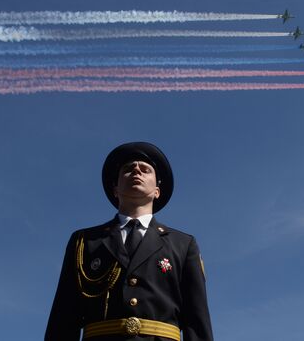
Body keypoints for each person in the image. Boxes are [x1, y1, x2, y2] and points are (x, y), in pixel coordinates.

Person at [44, 142, 213, 341]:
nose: (136, 171)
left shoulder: (183, 245)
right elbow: (63, 318)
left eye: (145, 170)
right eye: (128, 169)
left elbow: (196, 322)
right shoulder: (85, 242)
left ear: (157, 190)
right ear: (115, 188)